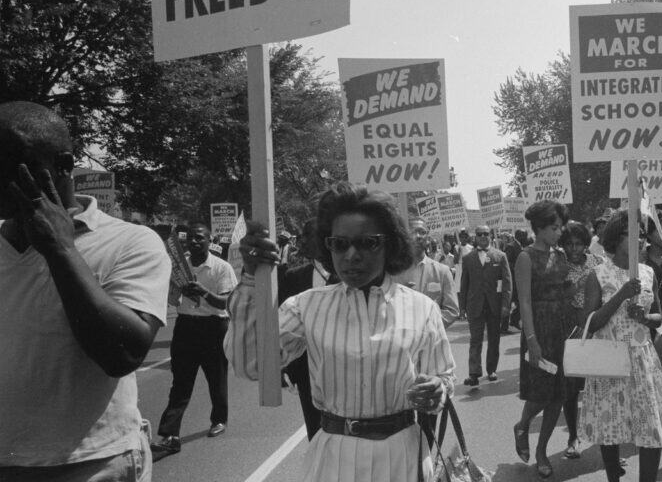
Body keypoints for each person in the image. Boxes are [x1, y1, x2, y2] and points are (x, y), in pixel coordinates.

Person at [225, 181, 455, 482]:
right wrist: (252, 278)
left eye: (368, 242)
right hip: (334, 457)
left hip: (402, 456)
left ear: (390, 245)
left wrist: (436, 390)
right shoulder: (305, 307)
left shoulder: (422, 309)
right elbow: (251, 365)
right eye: (340, 244)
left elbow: (444, 376)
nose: (351, 255)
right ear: (327, 245)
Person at [0, 101, 170, 481]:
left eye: (11, 161)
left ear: (63, 164)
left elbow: (122, 354)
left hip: (90, 465)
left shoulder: (130, 242)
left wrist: (60, 249)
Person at [579, 210, 662, 482]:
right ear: (616, 238)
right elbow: (589, 324)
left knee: (651, 427)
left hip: (642, 360)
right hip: (609, 360)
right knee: (610, 426)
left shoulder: (648, 272)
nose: (640, 240)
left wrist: (645, 317)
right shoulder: (598, 274)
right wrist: (621, 295)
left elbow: (660, 315)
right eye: (632, 234)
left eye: (641, 234)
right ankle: (613, 476)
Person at [152, 223, 238, 453]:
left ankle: (219, 419)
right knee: (181, 382)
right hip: (186, 328)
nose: (194, 242)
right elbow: (169, 299)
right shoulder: (178, 268)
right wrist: (179, 292)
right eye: (191, 238)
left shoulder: (222, 267)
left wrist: (203, 292)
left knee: (216, 378)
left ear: (209, 240)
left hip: (214, 328)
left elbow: (226, 302)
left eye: (200, 238)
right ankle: (170, 434)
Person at [513, 200, 573, 478]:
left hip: (562, 331)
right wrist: (532, 339)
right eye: (553, 227)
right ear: (538, 228)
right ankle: (523, 424)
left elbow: (567, 289)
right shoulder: (525, 257)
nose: (559, 232)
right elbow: (524, 302)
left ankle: (541, 451)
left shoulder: (561, 256)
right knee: (540, 393)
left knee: (559, 396)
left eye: (560, 227)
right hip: (539, 330)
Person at [278, 219, 336, 441]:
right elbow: (282, 326)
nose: (302, 241)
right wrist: (283, 367)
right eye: (301, 236)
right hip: (306, 372)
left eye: (307, 236)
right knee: (316, 435)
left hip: (344, 368)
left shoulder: (350, 276)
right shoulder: (294, 277)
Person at [559, 220, 602, 460]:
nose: (574, 249)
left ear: (587, 244)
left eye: (579, 244)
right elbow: (562, 297)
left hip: (597, 328)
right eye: (569, 244)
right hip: (571, 331)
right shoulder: (559, 266)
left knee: (597, 386)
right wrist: (583, 283)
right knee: (571, 389)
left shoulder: (597, 262)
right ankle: (573, 437)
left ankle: (602, 439)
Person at [459, 224, 512, 386]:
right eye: (480, 234)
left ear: (490, 236)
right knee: (475, 339)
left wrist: (506, 305)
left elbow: (507, 283)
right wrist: (462, 307)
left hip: (494, 305)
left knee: (494, 339)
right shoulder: (468, 258)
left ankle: (491, 370)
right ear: (475, 237)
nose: (483, 236)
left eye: (486, 234)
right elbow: (464, 284)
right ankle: (474, 373)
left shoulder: (500, 256)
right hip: (475, 305)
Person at [396, 217, 460, 328]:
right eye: (412, 232)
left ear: (428, 238)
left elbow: (452, 311)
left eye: (422, 232)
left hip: (432, 340)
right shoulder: (392, 272)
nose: (418, 236)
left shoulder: (442, 272)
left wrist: (426, 327)